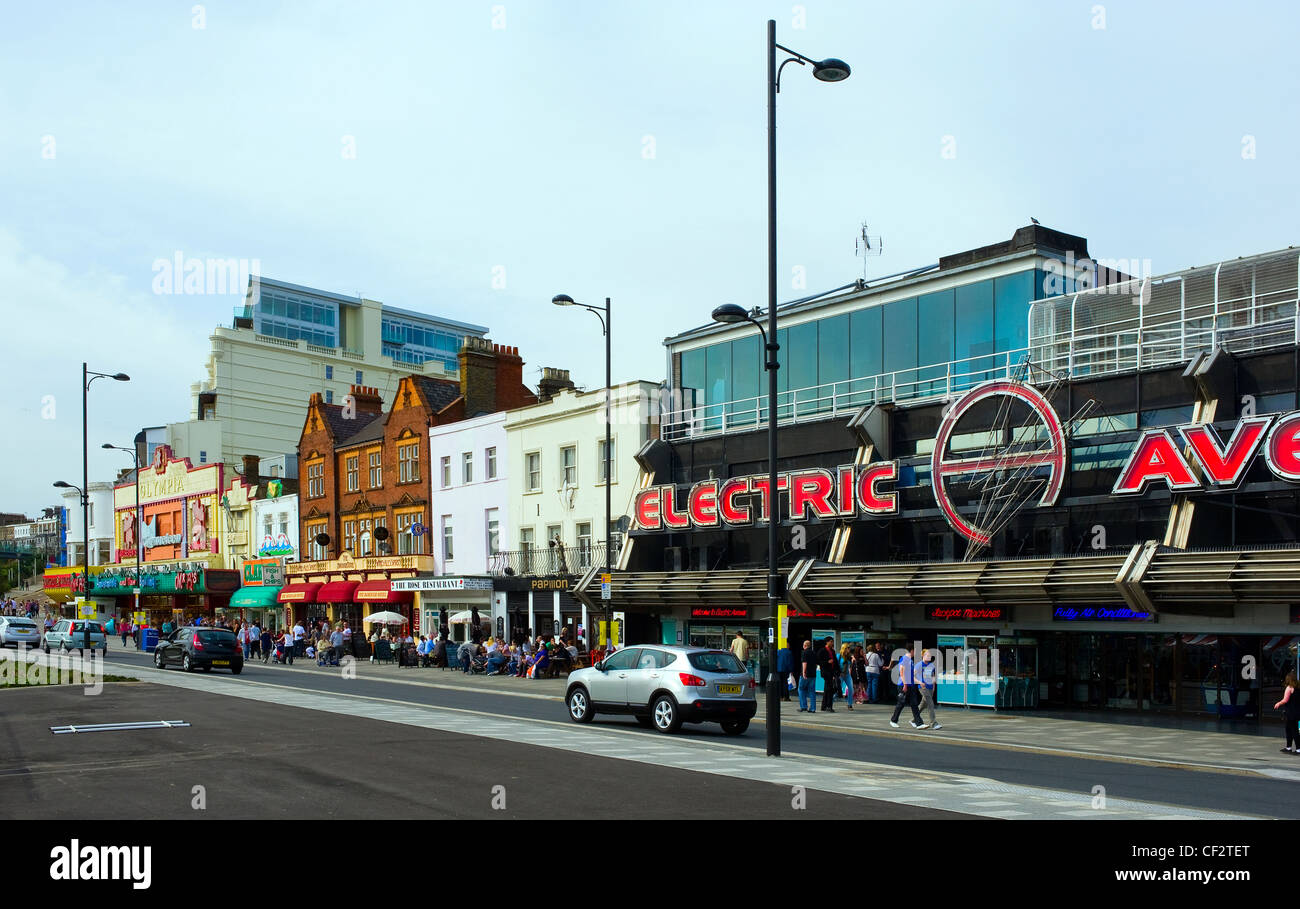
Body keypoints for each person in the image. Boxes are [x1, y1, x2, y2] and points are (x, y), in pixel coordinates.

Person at [889, 645, 926, 729]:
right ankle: (893, 720)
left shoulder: (910, 661)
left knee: (914, 704)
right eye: (915, 651)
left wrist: (919, 682)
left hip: (911, 685)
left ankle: (919, 723)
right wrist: (905, 685)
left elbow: (911, 675)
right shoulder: (905, 659)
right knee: (901, 703)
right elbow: (902, 673)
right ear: (912, 650)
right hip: (903, 685)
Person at [1274, 671, 1300, 753]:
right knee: (1289, 729)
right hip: (1297, 712)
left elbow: (1285, 700)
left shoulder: (1289, 688)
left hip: (1291, 712)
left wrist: (1278, 703)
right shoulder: (1298, 688)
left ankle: (1298, 749)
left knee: (1293, 730)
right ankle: (1288, 747)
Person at [919, 649, 940, 729]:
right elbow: (913, 676)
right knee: (930, 704)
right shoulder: (919, 665)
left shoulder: (931, 666)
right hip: (923, 687)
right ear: (923, 656)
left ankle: (914, 719)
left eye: (930, 655)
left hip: (930, 687)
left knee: (923, 705)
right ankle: (933, 723)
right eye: (927, 655)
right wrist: (919, 682)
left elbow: (933, 676)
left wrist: (934, 687)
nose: (929, 656)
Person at [818, 638, 839, 712]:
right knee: (829, 689)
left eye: (833, 641)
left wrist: (837, 671)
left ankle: (824, 706)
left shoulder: (832, 651)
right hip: (826, 672)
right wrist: (827, 662)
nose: (832, 643)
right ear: (827, 642)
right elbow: (819, 661)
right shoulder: (822, 650)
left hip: (831, 672)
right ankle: (828, 706)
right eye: (831, 641)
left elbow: (835, 661)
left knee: (827, 689)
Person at [798, 640, 818, 713]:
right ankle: (813, 708)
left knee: (801, 689)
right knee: (812, 691)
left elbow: (804, 663)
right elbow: (816, 663)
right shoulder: (813, 652)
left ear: (805, 645)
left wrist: (803, 672)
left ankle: (804, 706)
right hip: (813, 674)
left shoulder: (804, 652)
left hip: (806, 674)